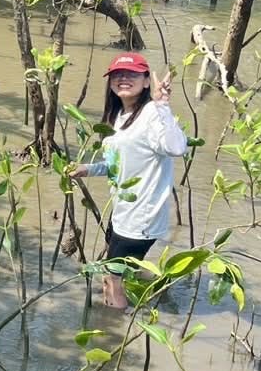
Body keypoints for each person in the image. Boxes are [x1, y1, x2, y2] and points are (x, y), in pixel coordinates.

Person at [69, 53, 185, 309]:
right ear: (110, 82)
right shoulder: (118, 116)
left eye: (132, 74)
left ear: (146, 82)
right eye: (118, 74)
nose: (123, 78)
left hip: (141, 217)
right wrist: (87, 169)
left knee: (112, 277)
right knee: (124, 267)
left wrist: (163, 105)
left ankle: (114, 334)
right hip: (123, 210)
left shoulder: (152, 113)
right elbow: (117, 165)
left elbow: (176, 148)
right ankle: (163, 288)